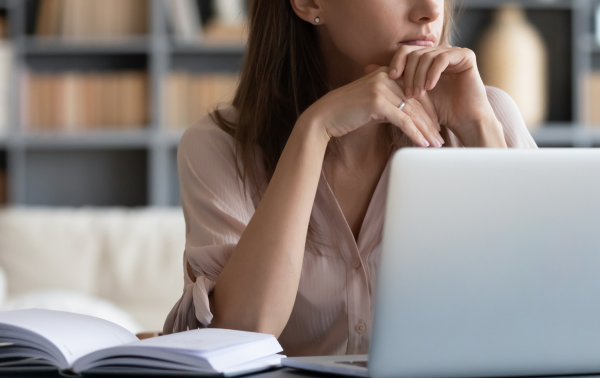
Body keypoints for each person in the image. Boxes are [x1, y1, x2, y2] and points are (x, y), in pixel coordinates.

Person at [163, 0, 538, 356]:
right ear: (310, 3)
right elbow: (240, 333)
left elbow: (542, 304)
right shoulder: (219, 146)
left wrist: (478, 128)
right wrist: (313, 130)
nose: (430, 10)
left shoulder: (487, 116)